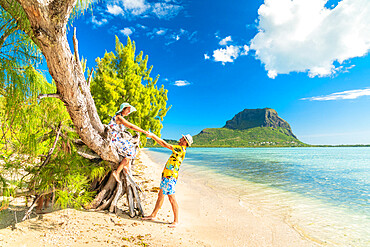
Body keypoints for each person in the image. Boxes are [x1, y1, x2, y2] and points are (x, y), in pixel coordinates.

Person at [142, 133, 193, 228]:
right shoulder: (180, 149)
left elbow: (165, 144)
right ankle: (153, 215)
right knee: (160, 195)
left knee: (171, 198)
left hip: (170, 177)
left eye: (182, 138)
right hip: (167, 176)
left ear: (185, 141)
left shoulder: (180, 149)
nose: (180, 138)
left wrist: (153, 136)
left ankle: (176, 221)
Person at [109, 102, 149, 182]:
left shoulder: (119, 117)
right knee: (131, 151)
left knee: (132, 147)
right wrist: (143, 131)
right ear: (123, 109)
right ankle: (117, 172)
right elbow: (130, 126)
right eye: (127, 109)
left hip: (115, 138)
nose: (129, 112)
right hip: (113, 139)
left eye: (129, 110)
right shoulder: (119, 117)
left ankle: (126, 166)